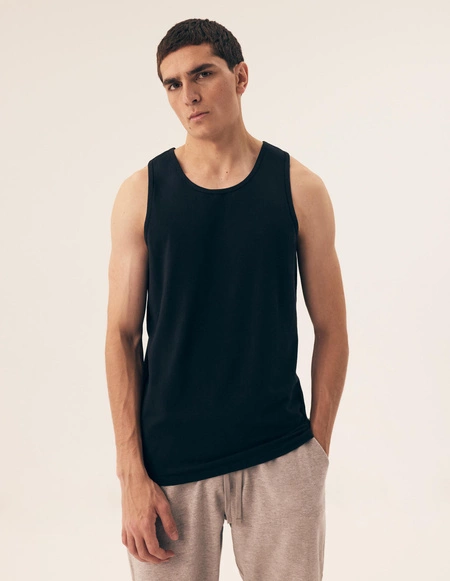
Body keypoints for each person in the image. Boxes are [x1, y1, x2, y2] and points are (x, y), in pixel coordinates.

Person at [105, 17, 348, 581]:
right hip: (169, 466)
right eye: (172, 84)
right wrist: (130, 473)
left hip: (280, 456)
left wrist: (315, 452)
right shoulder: (142, 193)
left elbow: (333, 330)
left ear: (240, 77)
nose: (188, 95)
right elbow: (121, 334)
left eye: (202, 74)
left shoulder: (299, 187)